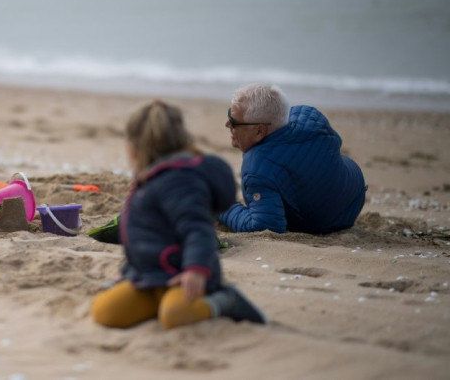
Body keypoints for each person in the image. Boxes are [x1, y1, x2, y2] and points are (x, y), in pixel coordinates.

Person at [90, 100, 267, 330]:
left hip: (186, 279)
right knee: (105, 311)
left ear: (136, 148)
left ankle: (226, 301)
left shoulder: (181, 182)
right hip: (150, 278)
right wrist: (127, 272)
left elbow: (198, 229)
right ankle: (158, 302)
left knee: (175, 316)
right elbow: (143, 238)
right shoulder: (148, 180)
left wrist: (195, 271)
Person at [219, 84, 366, 234]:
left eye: (234, 122)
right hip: (355, 192)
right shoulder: (309, 115)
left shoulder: (256, 167)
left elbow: (265, 226)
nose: (227, 124)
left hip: (329, 222)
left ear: (259, 131)